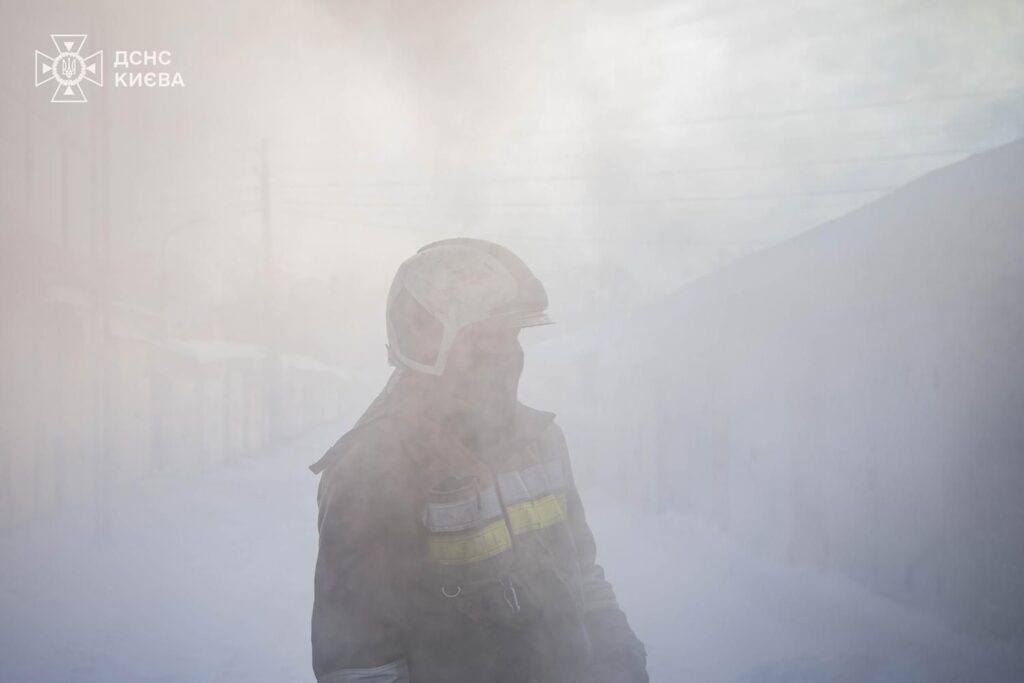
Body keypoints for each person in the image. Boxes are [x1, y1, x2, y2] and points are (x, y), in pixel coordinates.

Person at [310, 238, 648, 683]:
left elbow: (581, 575)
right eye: (486, 339)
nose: (507, 354)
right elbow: (360, 669)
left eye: (513, 335)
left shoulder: (541, 442)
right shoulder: (371, 474)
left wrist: (617, 654)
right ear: (429, 342)